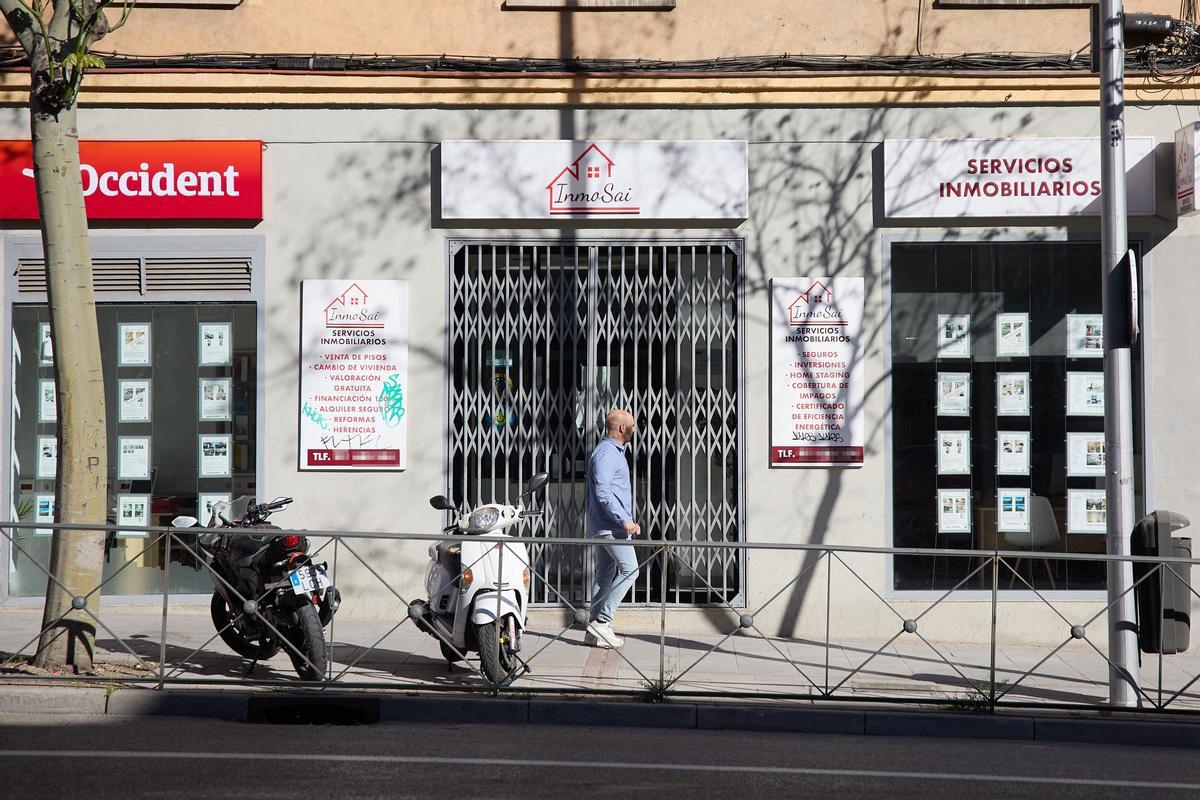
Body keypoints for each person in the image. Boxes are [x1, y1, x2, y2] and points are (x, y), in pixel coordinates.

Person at [584, 408, 640, 648]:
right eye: (632, 425)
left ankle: (593, 628)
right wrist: (623, 520)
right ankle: (603, 622)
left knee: (605, 575)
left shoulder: (612, 452)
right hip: (611, 526)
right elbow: (603, 492)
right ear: (621, 428)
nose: (635, 429)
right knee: (631, 569)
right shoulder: (607, 454)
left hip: (606, 526)